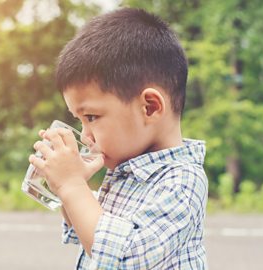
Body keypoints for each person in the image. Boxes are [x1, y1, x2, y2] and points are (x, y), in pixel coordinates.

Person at [28, 7, 208, 269]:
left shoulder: (182, 180)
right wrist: (64, 188)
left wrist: (72, 186)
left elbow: (124, 258)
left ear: (150, 107)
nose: (86, 136)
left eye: (91, 117)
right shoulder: (128, 175)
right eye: (79, 120)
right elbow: (87, 231)